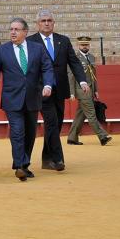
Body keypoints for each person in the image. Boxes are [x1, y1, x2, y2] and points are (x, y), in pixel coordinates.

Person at [0, 18, 54, 182]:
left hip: (32, 97)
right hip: (12, 99)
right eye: (11, 29)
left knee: (30, 133)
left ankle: (25, 164)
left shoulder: (37, 49)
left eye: (17, 29)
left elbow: (47, 67)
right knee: (17, 131)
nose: (13, 32)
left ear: (25, 32)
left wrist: (48, 85)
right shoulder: (2, 50)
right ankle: (19, 165)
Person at [26, 9, 89, 171]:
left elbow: (74, 62)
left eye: (49, 20)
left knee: (56, 123)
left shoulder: (63, 40)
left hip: (59, 89)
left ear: (53, 23)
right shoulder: (30, 42)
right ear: (37, 24)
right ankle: (58, 158)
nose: (47, 23)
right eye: (43, 21)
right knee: (52, 122)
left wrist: (82, 80)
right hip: (41, 90)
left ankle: (46, 160)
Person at [67, 37, 111, 146]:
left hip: (90, 90)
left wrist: (95, 90)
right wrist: (72, 92)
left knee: (80, 115)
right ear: (78, 46)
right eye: (82, 45)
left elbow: (93, 76)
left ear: (89, 45)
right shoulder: (75, 57)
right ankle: (103, 136)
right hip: (81, 90)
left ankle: (72, 138)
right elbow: (71, 76)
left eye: (86, 45)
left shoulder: (91, 57)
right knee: (91, 114)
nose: (85, 47)